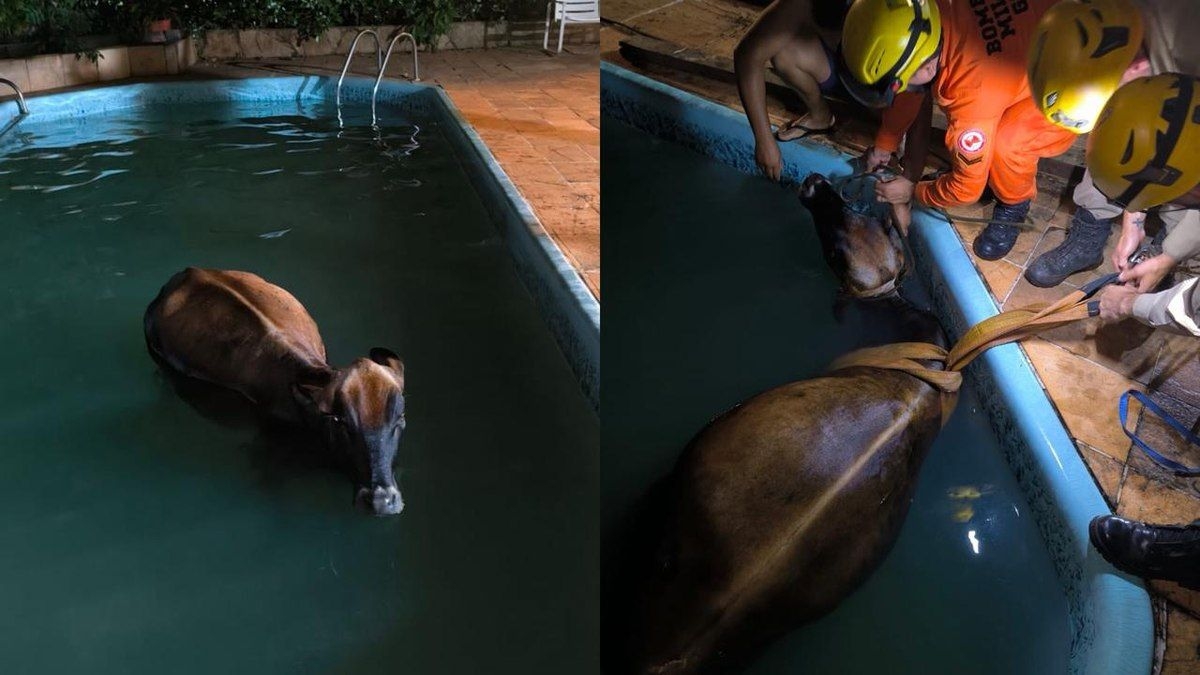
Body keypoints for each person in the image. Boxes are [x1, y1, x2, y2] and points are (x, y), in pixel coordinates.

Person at [838, 0, 1077, 259]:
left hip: (1071, 80)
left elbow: (966, 189)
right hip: (1050, 27)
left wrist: (914, 191)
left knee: (1007, 144)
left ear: (928, 68)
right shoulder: (925, 17)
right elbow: (910, 84)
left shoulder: (971, 98)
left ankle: (1015, 202)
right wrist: (885, 144)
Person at [1023, 0, 1200, 288]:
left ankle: (1160, 253)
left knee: (1183, 184)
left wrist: (1172, 254)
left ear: (1138, 64)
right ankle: (1087, 240)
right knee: (1111, 153)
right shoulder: (1115, 21)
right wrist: (1135, 217)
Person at [734, 0, 849, 181]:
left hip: (883, 84)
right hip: (838, 69)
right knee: (782, 52)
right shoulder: (798, 4)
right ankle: (820, 116)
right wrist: (764, 141)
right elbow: (748, 55)